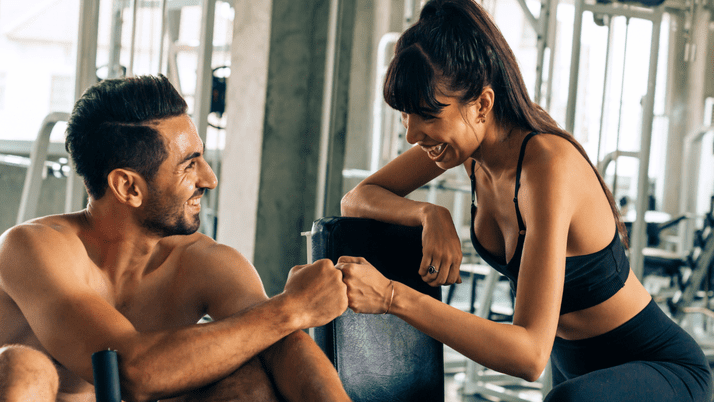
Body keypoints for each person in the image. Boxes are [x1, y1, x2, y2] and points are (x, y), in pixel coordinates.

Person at [338, 1, 712, 401]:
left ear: (481, 104)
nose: (412, 134)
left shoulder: (547, 167)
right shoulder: (466, 149)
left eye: (428, 115)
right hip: (579, 377)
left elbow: (530, 355)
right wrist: (428, 213)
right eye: (405, 115)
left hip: (661, 370)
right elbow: (358, 199)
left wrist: (393, 297)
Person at [0, 75, 351, 402]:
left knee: (249, 373)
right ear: (128, 187)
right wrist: (292, 307)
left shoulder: (204, 262)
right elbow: (130, 372)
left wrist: (287, 319)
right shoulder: (32, 247)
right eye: (189, 164)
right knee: (25, 369)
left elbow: (280, 344)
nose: (210, 179)